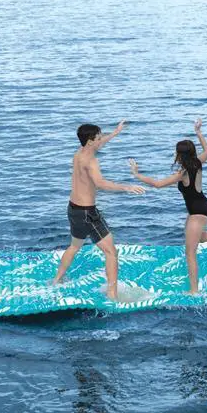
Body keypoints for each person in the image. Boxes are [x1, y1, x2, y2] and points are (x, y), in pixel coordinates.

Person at [128, 119, 207, 295]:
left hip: (198, 212)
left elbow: (158, 184)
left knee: (190, 252)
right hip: (201, 208)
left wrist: (137, 175)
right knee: (195, 236)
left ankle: (194, 291)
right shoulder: (198, 162)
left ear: (180, 154)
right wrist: (198, 132)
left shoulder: (182, 173)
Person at [53, 121, 145, 299]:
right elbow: (100, 183)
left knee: (74, 246)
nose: (101, 140)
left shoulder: (79, 153)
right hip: (87, 213)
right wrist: (126, 187)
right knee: (111, 252)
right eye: (99, 137)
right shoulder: (91, 161)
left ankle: (56, 280)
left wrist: (116, 132)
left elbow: (100, 144)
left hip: (73, 209)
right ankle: (112, 295)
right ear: (90, 141)